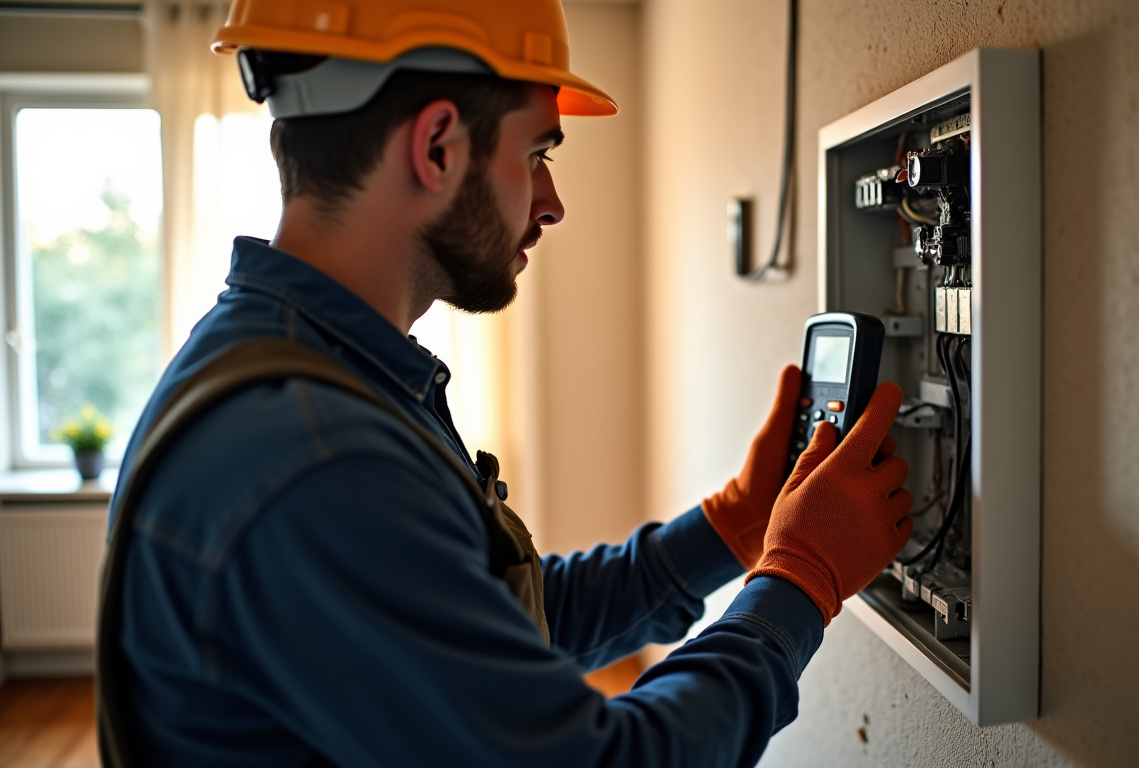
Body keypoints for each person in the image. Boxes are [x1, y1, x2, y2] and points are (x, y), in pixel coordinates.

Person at [101, 1, 915, 765]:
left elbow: (483, 627)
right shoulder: (314, 457)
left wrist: (733, 528)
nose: (553, 203)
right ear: (437, 147)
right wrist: (800, 579)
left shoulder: (317, 373)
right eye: (536, 155)